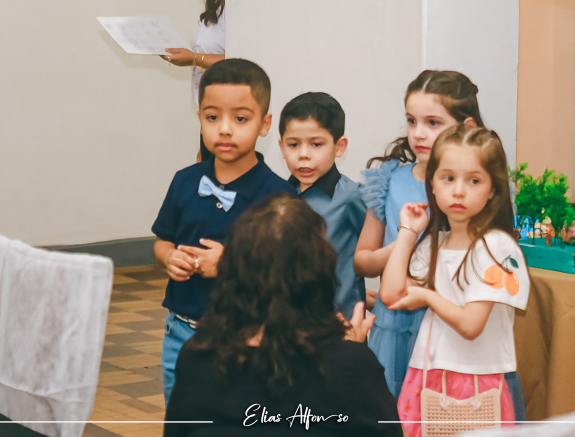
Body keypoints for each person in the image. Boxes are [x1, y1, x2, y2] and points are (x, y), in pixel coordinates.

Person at [163, 195, 402, 437]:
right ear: (317, 275)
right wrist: (351, 353)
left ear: (234, 272)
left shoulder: (196, 357)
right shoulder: (351, 367)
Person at [152, 59, 296, 407]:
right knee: (181, 416)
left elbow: (287, 271)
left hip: (247, 334)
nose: (225, 130)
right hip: (181, 331)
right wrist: (170, 257)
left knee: (235, 418)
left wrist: (230, 264)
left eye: (241, 119)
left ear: (265, 124)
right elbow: (162, 241)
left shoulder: (279, 196)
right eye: (212, 117)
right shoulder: (185, 181)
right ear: (199, 117)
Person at [381, 124, 531, 435]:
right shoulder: (435, 243)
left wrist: (427, 296)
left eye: (474, 180)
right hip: (427, 375)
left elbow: (471, 325)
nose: (459, 191)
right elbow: (392, 295)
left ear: (493, 189)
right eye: (448, 178)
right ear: (432, 184)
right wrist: (408, 232)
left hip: (478, 379)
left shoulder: (497, 247)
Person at [354, 70, 484, 398]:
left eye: (433, 123)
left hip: (451, 323)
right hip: (395, 323)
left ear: (467, 127)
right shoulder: (389, 179)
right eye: (412, 121)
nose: (418, 133)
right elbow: (363, 261)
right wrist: (405, 242)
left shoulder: (477, 189)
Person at [278, 92, 367, 319]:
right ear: (281, 147)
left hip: (338, 323)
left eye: (316, 144)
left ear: (339, 146)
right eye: (293, 144)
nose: (303, 155)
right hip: (286, 322)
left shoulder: (351, 197)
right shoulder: (277, 196)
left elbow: (374, 252)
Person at [161, 0, 226, 161]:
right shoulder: (212, 7)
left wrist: (193, 58)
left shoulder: (233, 6)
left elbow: (243, 61)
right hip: (211, 117)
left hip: (228, 120)